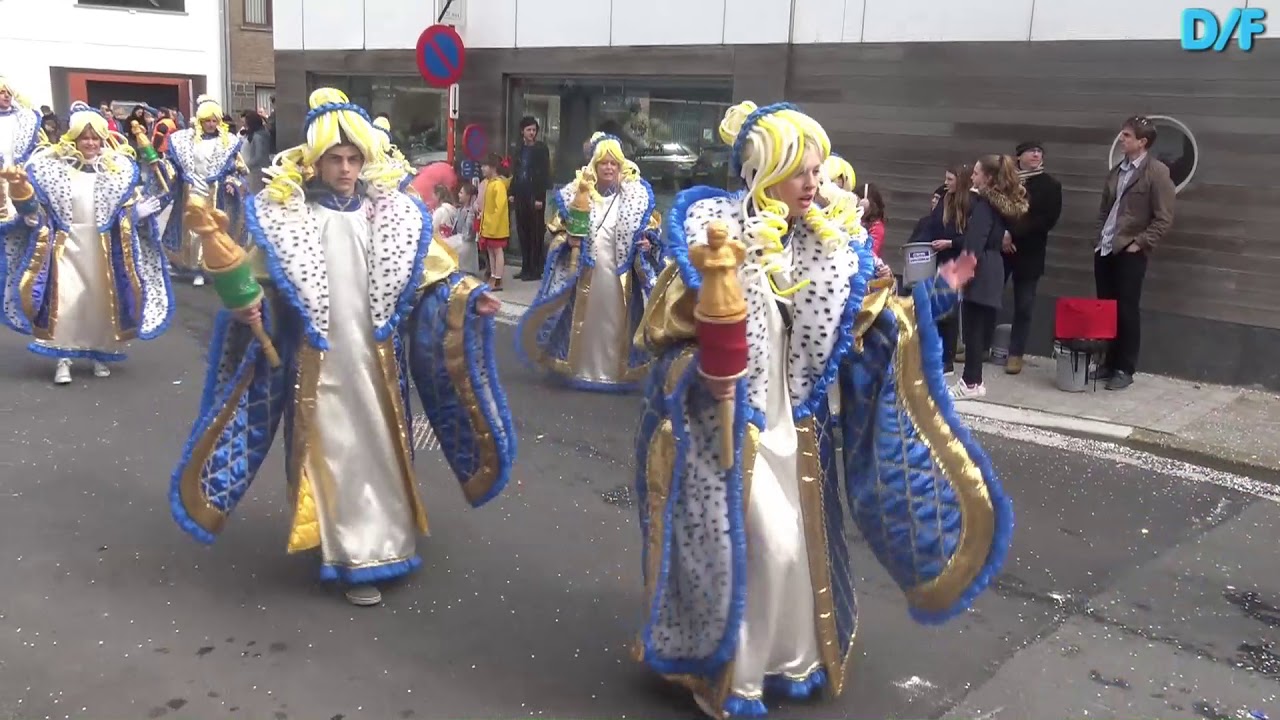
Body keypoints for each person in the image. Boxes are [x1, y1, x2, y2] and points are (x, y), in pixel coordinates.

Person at [633, 101, 1012, 719]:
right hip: (721, 430)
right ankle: (727, 680)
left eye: (817, 171)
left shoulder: (830, 251)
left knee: (789, 554)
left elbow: (879, 322)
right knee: (767, 547)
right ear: (766, 172)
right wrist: (704, 367)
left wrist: (942, 291)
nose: (815, 183)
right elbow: (660, 338)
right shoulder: (712, 242)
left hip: (792, 431)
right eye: (801, 172)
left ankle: (775, 664)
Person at [167, 88, 517, 607]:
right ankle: (350, 555)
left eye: (354, 158)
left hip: (377, 363)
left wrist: (468, 294)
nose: (347, 169)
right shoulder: (288, 218)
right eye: (336, 159)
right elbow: (260, 283)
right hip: (319, 365)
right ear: (317, 161)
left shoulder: (393, 216)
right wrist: (247, 303)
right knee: (334, 454)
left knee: (379, 447)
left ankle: (385, 540)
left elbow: (431, 278)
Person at [0, 102, 172, 384]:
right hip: (66, 247)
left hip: (101, 249)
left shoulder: (117, 172)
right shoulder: (52, 170)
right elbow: (41, 210)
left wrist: (135, 214)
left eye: (95, 138)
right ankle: (63, 359)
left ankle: (98, 353)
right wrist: (28, 208)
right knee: (65, 301)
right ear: (74, 139)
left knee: (99, 301)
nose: (90, 143)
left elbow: (122, 211)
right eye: (84, 138)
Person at [516, 132, 658, 393]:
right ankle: (582, 370)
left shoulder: (635, 199)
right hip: (586, 275)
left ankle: (613, 374)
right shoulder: (578, 194)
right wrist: (567, 240)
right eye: (603, 163)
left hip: (619, 279)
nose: (608, 168)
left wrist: (648, 243)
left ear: (620, 166)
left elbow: (650, 233)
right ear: (594, 164)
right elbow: (557, 230)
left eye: (613, 163)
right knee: (584, 323)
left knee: (615, 324)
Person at [1093, 116, 1175, 391]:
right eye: (1123, 134)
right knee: (1106, 308)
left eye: (1127, 135)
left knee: (1126, 309)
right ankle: (1107, 362)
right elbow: (1106, 208)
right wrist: (1099, 236)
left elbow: (1164, 218)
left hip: (1129, 249)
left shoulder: (1157, 172)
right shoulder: (1117, 170)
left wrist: (1140, 243)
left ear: (1143, 142)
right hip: (1106, 247)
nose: (1122, 139)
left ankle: (1124, 368)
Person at [950, 155, 1027, 399]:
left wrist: (958, 275)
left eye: (976, 173)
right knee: (979, 327)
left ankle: (970, 382)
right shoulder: (999, 205)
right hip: (993, 266)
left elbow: (974, 244)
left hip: (980, 268)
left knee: (973, 329)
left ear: (989, 178)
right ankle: (975, 381)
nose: (972, 177)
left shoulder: (984, 206)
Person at [160, 95, 249, 286]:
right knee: (193, 230)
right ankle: (194, 268)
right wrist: (165, 169)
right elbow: (174, 166)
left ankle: (210, 267)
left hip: (215, 194)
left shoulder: (228, 143)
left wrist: (231, 182)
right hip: (191, 191)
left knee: (213, 231)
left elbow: (239, 170)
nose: (211, 124)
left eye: (214, 121)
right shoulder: (185, 141)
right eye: (207, 121)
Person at [1002, 141, 1062, 375]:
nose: (1036, 154)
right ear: (1019, 157)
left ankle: (1016, 353)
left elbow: (1046, 219)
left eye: (1039, 151)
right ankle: (981, 346)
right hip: (1000, 249)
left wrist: (1013, 233)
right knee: (988, 298)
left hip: (1030, 252)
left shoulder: (1050, 185)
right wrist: (1002, 235)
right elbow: (993, 210)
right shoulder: (1005, 181)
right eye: (1031, 151)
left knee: (1024, 305)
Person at [510, 116, 551, 281]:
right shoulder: (519, 149)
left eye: (534, 130)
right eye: (529, 130)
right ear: (522, 131)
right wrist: (512, 192)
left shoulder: (541, 149)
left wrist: (540, 197)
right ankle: (525, 267)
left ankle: (535, 269)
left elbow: (544, 173)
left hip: (535, 196)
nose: (532, 133)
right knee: (523, 232)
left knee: (535, 233)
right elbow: (516, 172)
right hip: (521, 194)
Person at [0, 77, 44, 214]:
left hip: (19, 173)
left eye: (9, 92)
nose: (6, 96)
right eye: (2, 92)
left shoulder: (25, 119)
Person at [478, 152, 510, 290]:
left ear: (493, 167)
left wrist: (492, 224)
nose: (482, 169)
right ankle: (493, 275)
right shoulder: (490, 183)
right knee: (491, 251)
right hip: (489, 225)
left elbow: (499, 208)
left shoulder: (498, 185)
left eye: (485, 166)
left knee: (497, 251)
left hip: (496, 227)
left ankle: (498, 278)